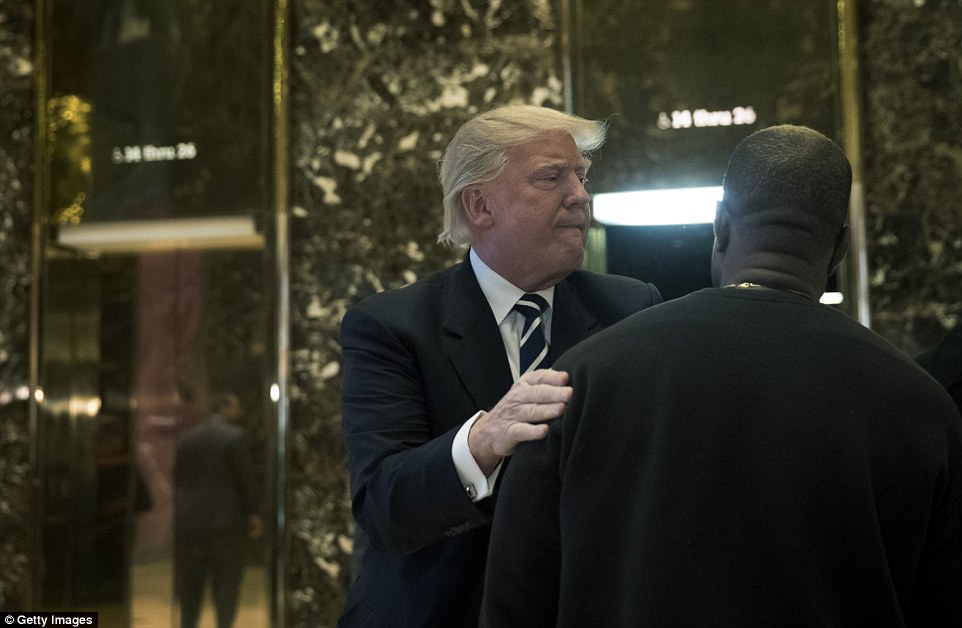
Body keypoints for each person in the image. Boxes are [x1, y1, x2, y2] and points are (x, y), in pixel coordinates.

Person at [481, 125, 962, 627]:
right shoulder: (921, 407)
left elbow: (517, 599)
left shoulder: (579, 381)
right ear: (840, 247)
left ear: (721, 227)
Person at [337, 104, 663, 627]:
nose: (579, 195)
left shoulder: (631, 310)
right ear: (480, 206)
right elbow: (384, 505)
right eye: (552, 177)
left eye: (581, 176)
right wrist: (483, 440)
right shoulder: (391, 326)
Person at [174, 392, 263, 628]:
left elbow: (179, 479)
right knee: (226, 585)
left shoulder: (186, 437)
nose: (239, 411)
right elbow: (245, 478)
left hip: (189, 520)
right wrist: (253, 513)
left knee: (190, 585)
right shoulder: (235, 436)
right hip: (226, 522)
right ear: (224, 406)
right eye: (236, 406)